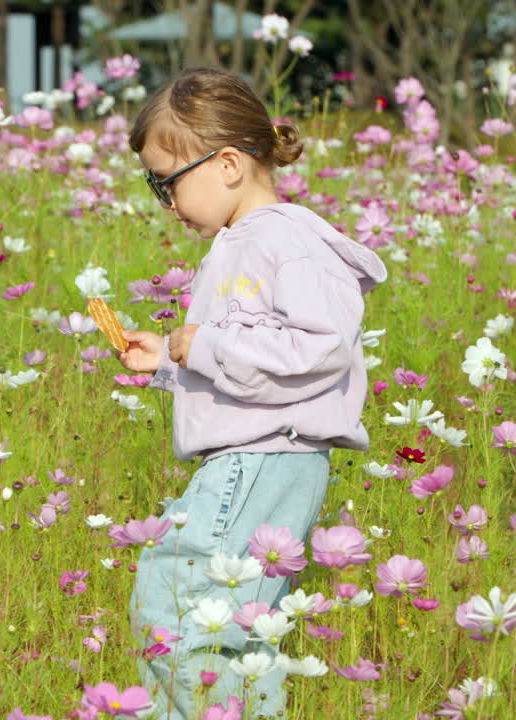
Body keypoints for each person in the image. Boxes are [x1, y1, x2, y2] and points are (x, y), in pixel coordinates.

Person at [117, 67, 388, 719]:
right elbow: (256, 370)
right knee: (239, 631)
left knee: (180, 610)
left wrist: (203, 345)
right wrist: (170, 363)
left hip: (262, 460)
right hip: (262, 452)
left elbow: (321, 346)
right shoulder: (244, 244)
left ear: (229, 163)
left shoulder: (284, 240)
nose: (164, 201)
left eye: (165, 181)